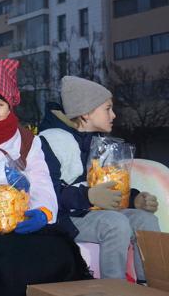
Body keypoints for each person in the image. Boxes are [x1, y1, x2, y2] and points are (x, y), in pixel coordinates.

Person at [0, 59, 91, 296]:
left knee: (58, 249)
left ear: (9, 106)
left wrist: (43, 211)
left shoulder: (27, 140)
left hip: (20, 212)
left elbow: (41, 180)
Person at [39, 75, 160, 281]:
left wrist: (134, 199)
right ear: (86, 113)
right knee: (115, 223)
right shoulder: (51, 141)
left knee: (146, 219)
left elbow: (110, 185)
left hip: (93, 213)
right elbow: (46, 193)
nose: (113, 115)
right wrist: (88, 196)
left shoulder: (100, 143)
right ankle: (114, 287)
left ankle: (150, 284)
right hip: (64, 219)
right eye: (107, 108)